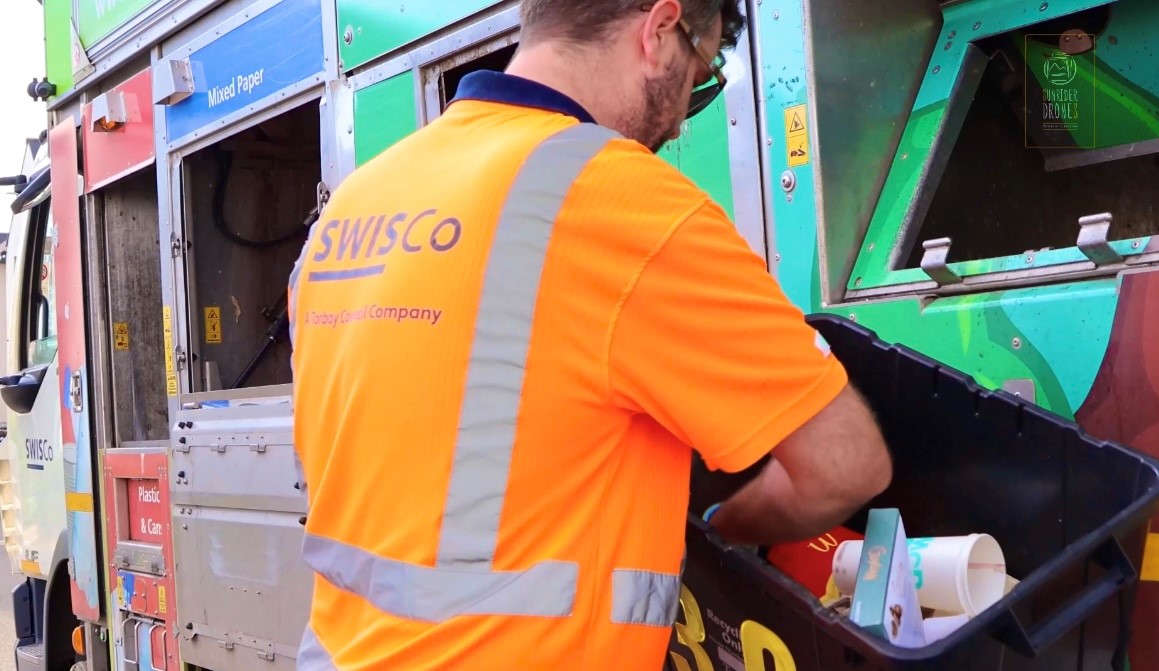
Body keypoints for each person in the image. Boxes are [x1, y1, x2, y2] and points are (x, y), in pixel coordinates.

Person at [287, 0, 892, 668]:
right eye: (700, 72)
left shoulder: (355, 202)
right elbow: (843, 462)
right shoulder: (623, 202)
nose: (684, 113)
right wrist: (722, 531)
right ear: (659, 29)